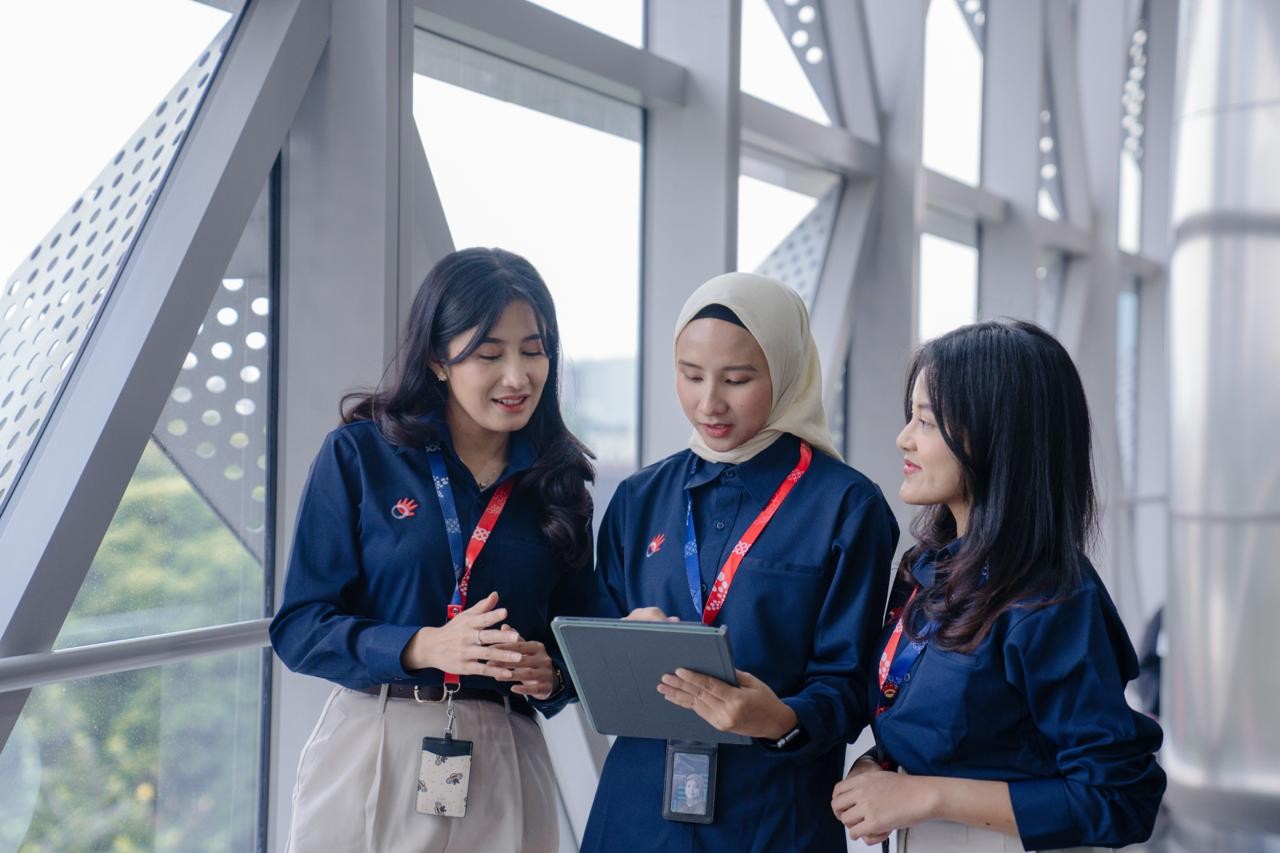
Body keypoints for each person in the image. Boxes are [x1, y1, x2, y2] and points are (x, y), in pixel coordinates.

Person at [269, 247, 597, 853]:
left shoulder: (560, 484)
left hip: (507, 752)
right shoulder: (360, 454)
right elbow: (300, 628)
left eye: (534, 350)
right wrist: (423, 645)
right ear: (437, 359)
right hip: (375, 739)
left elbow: (582, 639)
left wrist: (550, 673)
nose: (517, 377)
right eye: (489, 354)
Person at [582, 272, 900, 851]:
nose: (709, 403)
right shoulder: (638, 498)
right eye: (690, 375)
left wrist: (777, 718)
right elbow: (590, 655)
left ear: (786, 372)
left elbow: (854, 685)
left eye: (737, 379)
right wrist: (622, 641)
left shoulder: (847, 507)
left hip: (772, 816)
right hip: (638, 814)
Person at [832, 320, 1166, 851]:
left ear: (997, 439)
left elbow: (1120, 798)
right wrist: (884, 763)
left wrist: (927, 794)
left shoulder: (1049, 600)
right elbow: (968, 731)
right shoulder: (928, 568)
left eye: (926, 421)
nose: (904, 438)